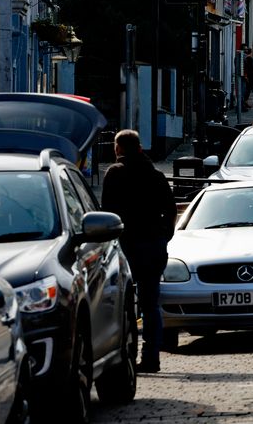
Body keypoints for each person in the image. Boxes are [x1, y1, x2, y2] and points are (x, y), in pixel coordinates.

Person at [101, 129, 175, 373]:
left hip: (126, 246)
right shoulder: (155, 175)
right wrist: (164, 236)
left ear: (118, 149)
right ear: (140, 148)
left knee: (126, 305)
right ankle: (151, 356)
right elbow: (171, 209)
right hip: (153, 246)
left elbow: (106, 211)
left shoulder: (115, 174)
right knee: (150, 303)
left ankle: (128, 357)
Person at [240, 47, 253, 112]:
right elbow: (251, 68)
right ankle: (245, 102)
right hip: (250, 76)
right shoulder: (249, 58)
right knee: (248, 89)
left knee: (247, 89)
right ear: (251, 52)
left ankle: (245, 102)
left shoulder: (247, 58)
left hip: (248, 76)